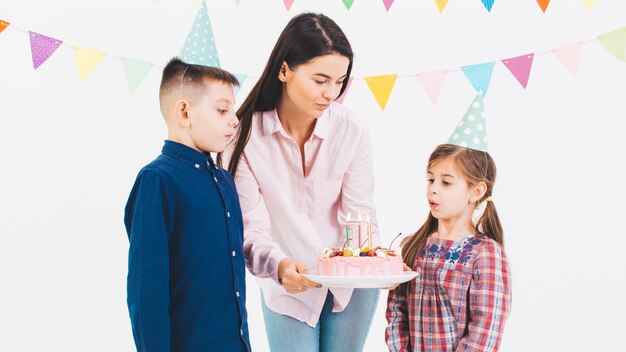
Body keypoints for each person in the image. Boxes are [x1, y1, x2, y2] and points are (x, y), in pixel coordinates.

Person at [219, 12, 379, 352]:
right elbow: (250, 229)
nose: (330, 94)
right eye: (320, 80)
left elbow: (360, 214)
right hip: (287, 284)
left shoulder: (351, 131)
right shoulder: (244, 138)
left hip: (352, 286)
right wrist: (277, 266)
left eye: (339, 81)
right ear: (284, 70)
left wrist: (376, 259)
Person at [124, 57, 250, 351]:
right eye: (222, 110)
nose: (234, 120)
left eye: (233, 109)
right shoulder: (157, 181)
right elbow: (146, 293)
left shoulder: (223, 180)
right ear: (184, 112)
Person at [386, 95, 512, 352]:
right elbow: (396, 311)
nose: (433, 189)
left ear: (476, 191)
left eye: (446, 182)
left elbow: (486, 328)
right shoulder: (412, 245)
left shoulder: (485, 253)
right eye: (430, 179)